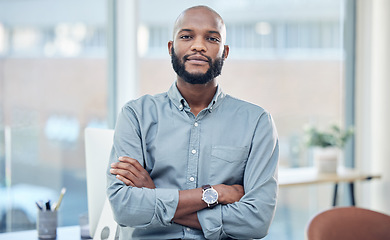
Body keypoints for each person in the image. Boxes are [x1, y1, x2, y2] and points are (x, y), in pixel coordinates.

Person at [107, 5, 279, 240]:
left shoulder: (257, 122)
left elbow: (257, 221)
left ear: (225, 52)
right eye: (187, 36)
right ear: (171, 48)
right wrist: (214, 194)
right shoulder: (136, 115)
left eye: (211, 38)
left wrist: (154, 195)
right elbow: (124, 208)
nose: (198, 45)